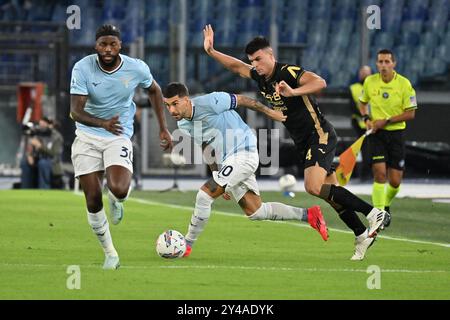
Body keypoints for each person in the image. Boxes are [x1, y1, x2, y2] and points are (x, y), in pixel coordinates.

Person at [202, 24, 387, 260]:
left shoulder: (287, 72)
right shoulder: (260, 77)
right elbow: (237, 67)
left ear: (271, 55)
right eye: (252, 60)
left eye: (259, 59)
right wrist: (211, 51)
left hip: (318, 134)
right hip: (303, 141)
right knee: (329, 192)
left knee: (313, 187)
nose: (255, 64)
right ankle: (361, 233)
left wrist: (293, 92)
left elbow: (320, 82)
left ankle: (373, 213)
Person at [162, 82, 329, 258]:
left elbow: (242, 100)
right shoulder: (184, 125)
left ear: (186, 100)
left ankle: (187, 244)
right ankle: (309, 215)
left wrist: (270, 112)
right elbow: (206, 146)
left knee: (204, 196)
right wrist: (216, 174)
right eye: (167, 105)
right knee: (256, 211)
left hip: (244, 152)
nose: (171, 110)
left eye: (175, 104)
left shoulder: (210, 102)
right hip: (229, 160)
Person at [69, 24, 173, 270]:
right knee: (92, 198)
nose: (107, 49)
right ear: (96, 45)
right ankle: (110, 254)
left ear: (120, 46)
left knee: (119, 189)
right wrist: (101, 123)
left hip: (118, 134)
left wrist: (163, 127)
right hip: (87, 135)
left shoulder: (136, 67)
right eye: (103, 44)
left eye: (112, 44)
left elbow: (155, 91)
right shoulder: (82, 68)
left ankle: (117, 200)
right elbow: (75, 111)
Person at [359, 49, 417, 228]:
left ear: (394, 64)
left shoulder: (404, 84)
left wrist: (387, 120)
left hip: (396, 135)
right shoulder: (370, 82)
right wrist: (367, 119)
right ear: (376, 64)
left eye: (387, 62)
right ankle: (378, 215)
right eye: (380, 62)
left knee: (395, 181)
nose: (383, 65)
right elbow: (362, 103)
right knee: (379, 174)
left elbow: (411, 113)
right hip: (376, 135)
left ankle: (386, 204)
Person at [20, 116, 63, 189]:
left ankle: (44, 189)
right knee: (24, 162)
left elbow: (55, 154)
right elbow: (29, 147)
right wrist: (29, 155)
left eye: (44, 124)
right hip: (37, 159)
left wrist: (40, 146)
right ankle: (25, 189)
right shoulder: (36, 133)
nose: (41, 127)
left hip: (52, 162)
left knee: (43, 163)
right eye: (40, 124)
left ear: (50, 125)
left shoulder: (57, 137)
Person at [349, 65, 372, 180]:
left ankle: (372, 174)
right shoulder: (353, 88)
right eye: (362, 72)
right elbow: (352, 107)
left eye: (366, 72)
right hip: (360, 123)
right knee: (365, 149)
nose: (364, 75)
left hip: (376, 123)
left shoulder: (376, 87)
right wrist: (366, 117)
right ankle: (364, 175)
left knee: (373, 149)